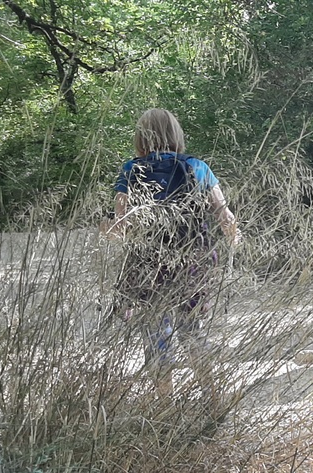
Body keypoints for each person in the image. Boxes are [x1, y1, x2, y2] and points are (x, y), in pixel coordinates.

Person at [101, 108, 241, 397]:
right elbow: (224, 215)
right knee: (193, 329)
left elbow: (122, 223)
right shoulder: (197, 166)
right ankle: (212, 397)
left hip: (148, 264)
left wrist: (106, 232)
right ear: (177, 135)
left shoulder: (132, 170)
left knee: (156, 334)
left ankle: (165, 405)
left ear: (141, 137)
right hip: (193, 260)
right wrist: (235, 240)